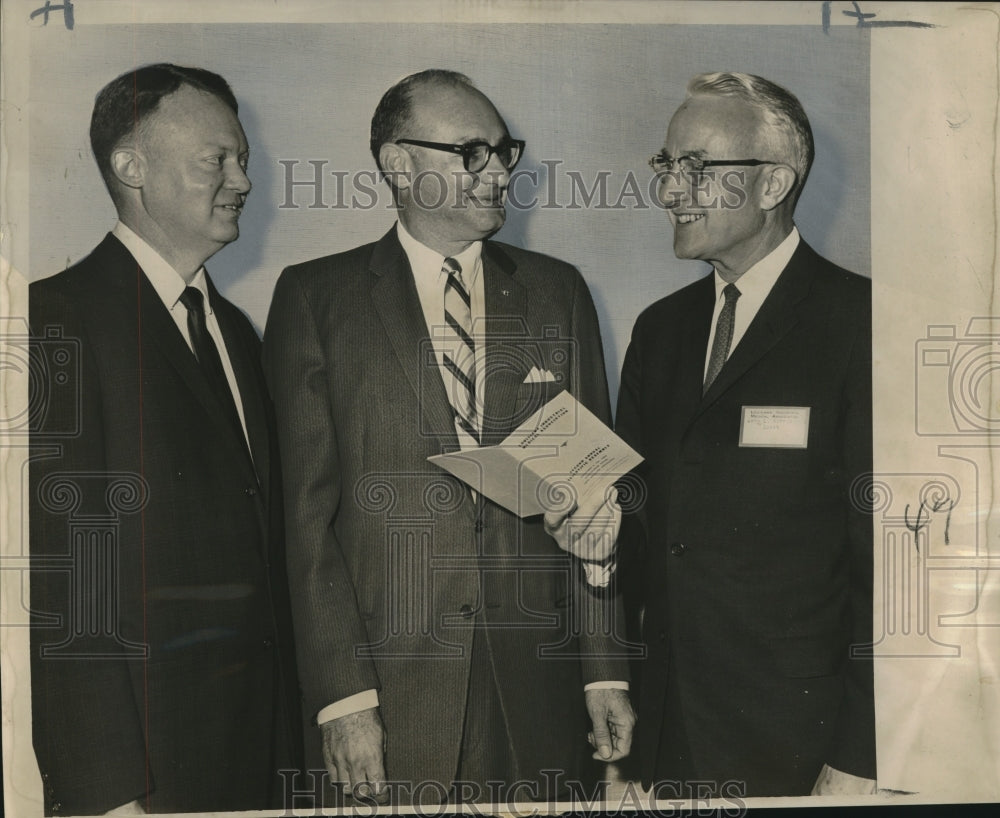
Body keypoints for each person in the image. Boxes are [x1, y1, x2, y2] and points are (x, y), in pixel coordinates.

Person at [262, 69, 634, 806]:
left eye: (503, 151)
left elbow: (590, 498)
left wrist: (603, 668)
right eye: (470, 152)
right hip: (389, 698)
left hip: (536, 689)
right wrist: (343, 699)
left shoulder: (557, 290)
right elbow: (304, 525)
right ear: (398, 164)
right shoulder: (316, 299)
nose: (497, 172)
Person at [29, 63, 301, 815]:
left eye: (242, 158)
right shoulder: (56, 322)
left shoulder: (238, 335)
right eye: (218, 158)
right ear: (131, 166)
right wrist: (108, 793)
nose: (243, 180)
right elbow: (65, 587)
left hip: (265, 765)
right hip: (148, 780)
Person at [615, 72, 875, 797]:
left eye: (697, 169)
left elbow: (891, 566)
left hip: (803, 744)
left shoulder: (861, 326)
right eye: (667, 167)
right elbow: (634, 526)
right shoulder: (660, 330)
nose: (670, 192)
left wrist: (863, 752)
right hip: (665, 738)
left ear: (772, 186)